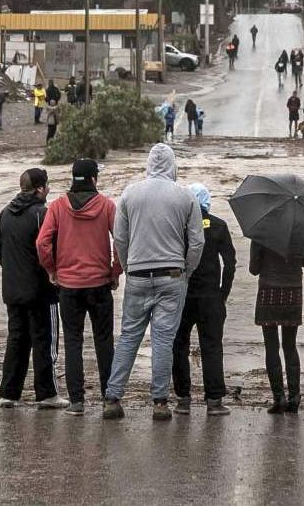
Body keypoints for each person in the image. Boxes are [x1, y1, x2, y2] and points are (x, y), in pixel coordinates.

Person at [105, 144, 204, 421]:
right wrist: (187, 270)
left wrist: (128, 266)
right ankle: (160, 403)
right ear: (173, 165)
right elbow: (197, 242)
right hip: (172, 275)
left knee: (128, 337)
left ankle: (112, 397)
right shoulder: (185, 196)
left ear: (148, 164)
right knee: (163, 339)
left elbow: (120, 239)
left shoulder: (129, 194)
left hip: (137, 275)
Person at [36, 159, 121, 416]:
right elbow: (122, 241)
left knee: (73, 342)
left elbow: (42, 243)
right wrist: (115, 271)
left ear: (73, 178)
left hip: (69, 286)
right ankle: (109, 398)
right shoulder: (107, 206)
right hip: (100, 284)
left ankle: (76, 402)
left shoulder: (58, 206)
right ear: (94, 179)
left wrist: (53, 270)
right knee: (104, 342)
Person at [0, 168, 66, 409]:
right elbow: (52, 249)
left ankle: (8, 394)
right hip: (41, 292)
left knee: (16, 340)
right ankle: (47, 394)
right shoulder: (43, 214)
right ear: (39, 189)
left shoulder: (5, 213)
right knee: (45, 342)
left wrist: (14, 271)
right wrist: (52, 275)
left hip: (12, 291)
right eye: (47, 185)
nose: (49, 189)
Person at [171, 183, 236, 416]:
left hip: (183, 296)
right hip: (211, 298)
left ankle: (183, 399)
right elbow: (230, 263)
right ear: (207, 201)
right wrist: (223, 293)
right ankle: (214, 400)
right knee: (212, 347)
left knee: (179, 346)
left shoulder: (179, 227)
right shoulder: (219, 225)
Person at [251, 241, 304, 414]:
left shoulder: (261, 232)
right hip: (293, 291)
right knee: (290, 345)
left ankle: (279, 397)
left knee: (272, 347)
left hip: (268, 292)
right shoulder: (301, 232)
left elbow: (253, 269)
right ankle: (294, 396)